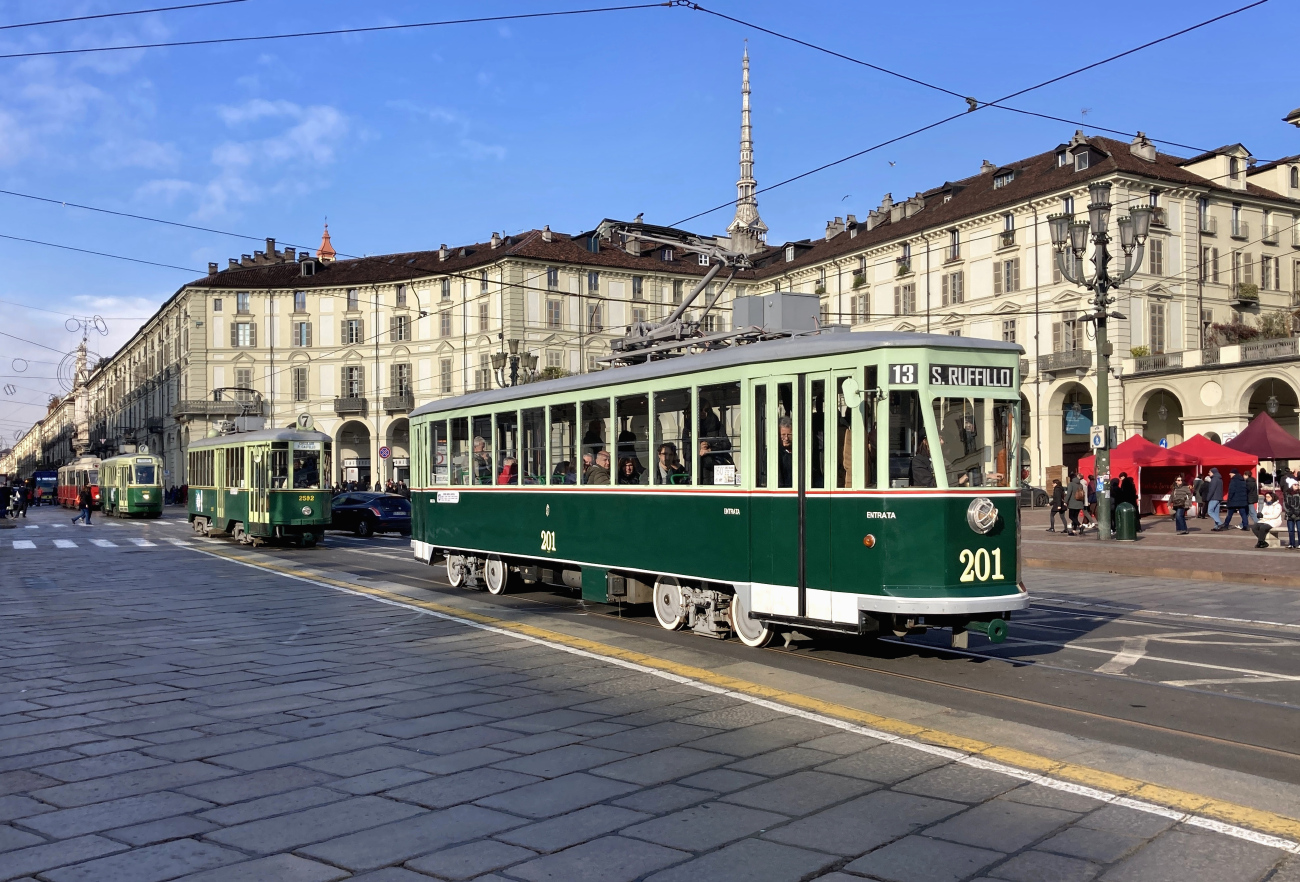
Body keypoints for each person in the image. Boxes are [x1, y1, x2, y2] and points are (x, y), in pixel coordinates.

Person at [777, 418, 793, 489]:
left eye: (789, 434)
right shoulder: (776, 454)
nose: (786, 438)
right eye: (783, 435)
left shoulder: (800, 452)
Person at [1284, 483, 1300, 549]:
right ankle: (1291, 543)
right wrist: (1288, 511)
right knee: (1291, 530)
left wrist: (1298, 511)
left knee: (1299, 530)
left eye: (1297, 485)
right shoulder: (1287, 493)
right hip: (1289, 514)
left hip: (1298, 514)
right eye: (1295, 484)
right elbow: (1284, 503)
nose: (1297, 486)